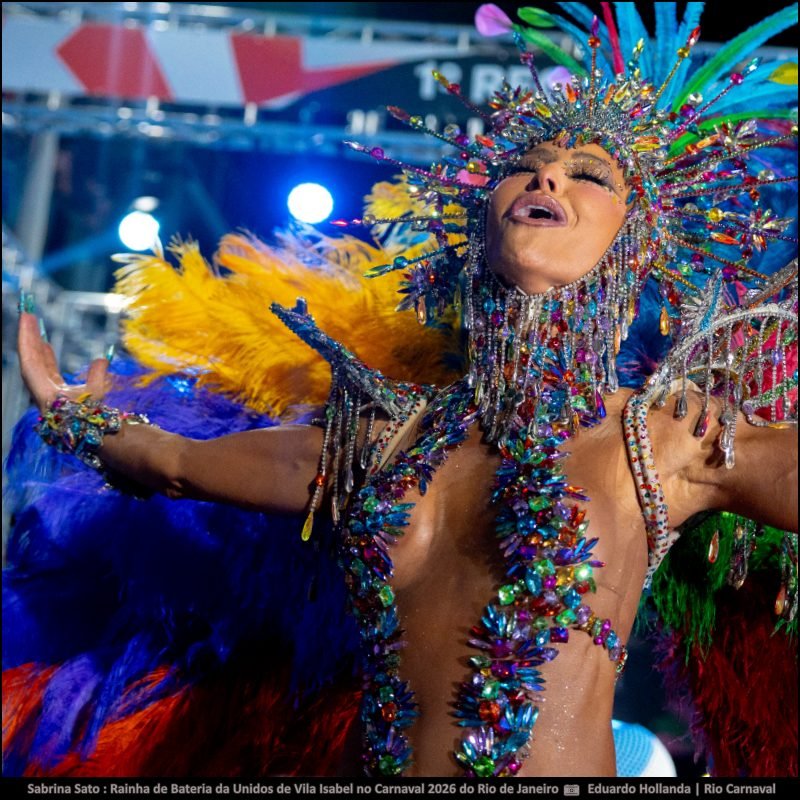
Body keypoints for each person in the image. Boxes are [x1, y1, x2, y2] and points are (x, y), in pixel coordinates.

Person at [5, 1, 798, 779]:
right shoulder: (374, 442)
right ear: (477, 220)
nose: (547, 171)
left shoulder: (661, 441)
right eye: (525, 162)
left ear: (640, 239)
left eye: (589, 173)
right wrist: (76, 416)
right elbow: (173, 461)